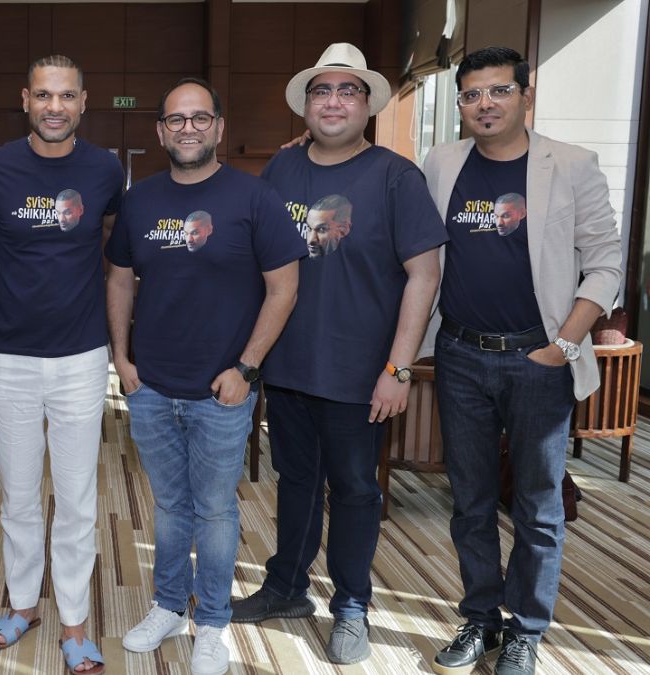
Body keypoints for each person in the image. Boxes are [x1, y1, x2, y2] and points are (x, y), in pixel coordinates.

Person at [228, 43, 446, 666]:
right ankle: (286, 587)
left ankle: (352, 606)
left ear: (368, 105)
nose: (333, 101)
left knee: (354, 491)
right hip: (289, 365)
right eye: (322, 91)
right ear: (306, 106)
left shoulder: (396, 176)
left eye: (348, 90)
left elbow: (425, 275)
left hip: (361, 372)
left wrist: (398, 368)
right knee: (296, 482)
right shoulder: (281, 168)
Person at [421, 47, 621, 675]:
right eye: (472, 94)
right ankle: (481, 619)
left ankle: (527, 631)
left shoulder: (572, 164)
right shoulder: (441, 162)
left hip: (537, 359)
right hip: (459, 354)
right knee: (470, 501)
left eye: (499, 91)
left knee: (537, 504)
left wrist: (563, 346)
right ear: (460, 104)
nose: (485, 104)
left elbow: (606, 263)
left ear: (525, 95)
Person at [108, 78, 304, 675]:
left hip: (223, 391)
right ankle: (170, 605)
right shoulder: (139, 200)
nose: (187, 128)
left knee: (215, 511)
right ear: (160, 131)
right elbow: (119, 279)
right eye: (176, 119)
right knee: (170, 505)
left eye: (199, 118)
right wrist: (122, 359)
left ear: (219, 126)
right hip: (150, 387)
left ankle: (213, 622)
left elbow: (284, 288)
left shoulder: (254, 197)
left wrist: (246, 368)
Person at [0, 54, 123, 675]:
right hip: (7, 354)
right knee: (19, 493)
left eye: (65, 96)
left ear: (83, 102)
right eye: (43, 95)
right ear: (25, 100)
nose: (54, 107)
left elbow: (113, 247)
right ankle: (24, 605)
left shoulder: (105, 169)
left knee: (78, 496)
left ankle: (76, 620)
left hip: (81, 355)